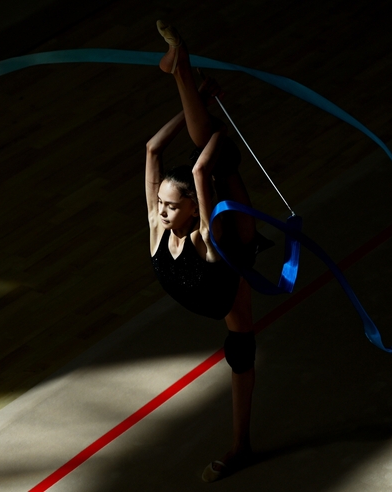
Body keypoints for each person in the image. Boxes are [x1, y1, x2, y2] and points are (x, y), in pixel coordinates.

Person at [146, 19, 265, 482]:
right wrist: (200, 98)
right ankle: (182, 73)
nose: (160, 212)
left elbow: (200, 174)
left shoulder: (207, 235)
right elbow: (153, 149)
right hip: (220, 277)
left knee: (214, 153)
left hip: (240, 238)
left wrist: (205, 104)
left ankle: (241, 447)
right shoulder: (158, 229)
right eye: (160, 204)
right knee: (203, 141)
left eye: (170, 207)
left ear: (193, 211)